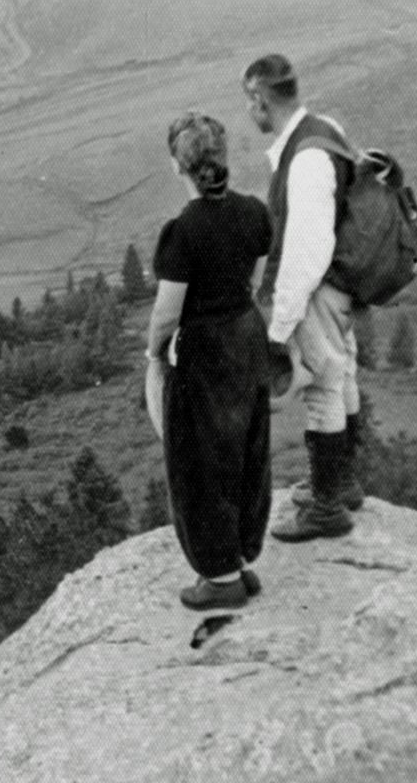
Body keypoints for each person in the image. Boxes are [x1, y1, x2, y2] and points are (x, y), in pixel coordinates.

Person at [146, 111, 273, 610]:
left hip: (206, 352)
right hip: (246, 337)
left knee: (201, 459)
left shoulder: (184, 231)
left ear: (179, 167)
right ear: (223, 159)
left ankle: (220, 579)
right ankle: (241, 560)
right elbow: (254, 283)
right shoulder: (255, 213)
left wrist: (155, 353)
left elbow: (166, 315)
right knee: (246, 449)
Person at [241, 54, 364, 542]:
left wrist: (281, 326)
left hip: (320, 289)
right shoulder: (324, 128)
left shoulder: (305, 159)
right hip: (343, 286)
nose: (249, 115)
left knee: (322, 387)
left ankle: (327, 507)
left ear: (260, 99)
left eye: (249, 104)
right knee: (343, 371)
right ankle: (344, 484)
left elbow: (305, 253)